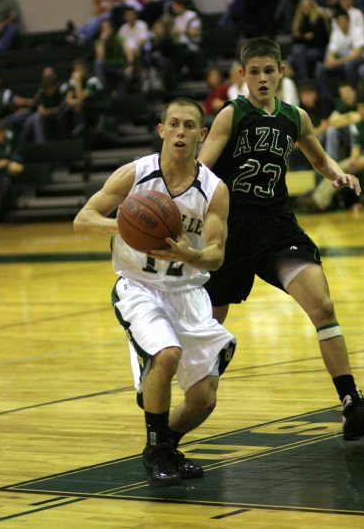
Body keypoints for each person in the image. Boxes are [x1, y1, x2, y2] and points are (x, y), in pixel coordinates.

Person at [198, 36, 364, 440]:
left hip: (277, 227)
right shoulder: (230, 116)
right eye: (254, 71)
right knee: (210, 335)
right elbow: (201, 171)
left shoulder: (296, 117)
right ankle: (177, 412)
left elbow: (319, 158)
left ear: (281, 72)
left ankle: (351, 404)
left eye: (269, 70)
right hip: (233, 231)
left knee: (323, 306)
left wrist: (338, 174)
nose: (262, 78)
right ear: (242, 76)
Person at [73, 97, 236, 486]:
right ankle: (158, 449)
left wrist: (188, 253)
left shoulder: (213, 190)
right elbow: (83, 219)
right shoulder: (135, 174)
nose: (181, 132)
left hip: (189, 291)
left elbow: (216, 257)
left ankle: (162, 442)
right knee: (166, 354)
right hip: (139, 288)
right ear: (162, 130)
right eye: (174, 124)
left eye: (190, 126)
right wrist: (125, 227)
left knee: (203, 400)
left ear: (202, 134)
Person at [300, 93, 364, 212]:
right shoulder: (357, 126)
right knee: (339, 167)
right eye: (359, 108)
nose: (361, 111)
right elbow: (356, 148)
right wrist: (354, 159)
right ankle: (319, 201)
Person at [315, 8, 364, 100]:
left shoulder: (357, 31)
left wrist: (337, 62)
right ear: (336, 23)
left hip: (361, 60)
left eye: (344, 21)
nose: (343, 23)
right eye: (340, 21)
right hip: (342, 63)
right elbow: (330, 56)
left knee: (349, 65)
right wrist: (330, 62)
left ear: (349, 21)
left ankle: (354, 97)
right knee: (320, 68)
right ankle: (329, 99)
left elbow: (357, 54)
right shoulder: (335, 34)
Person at [286, 0, 330, 83]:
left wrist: (303, 38)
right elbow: (295, 40)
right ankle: (304, 77)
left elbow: (321, 39)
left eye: (308, 5)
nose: (305, 8)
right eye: (303, 6)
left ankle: (304, 78)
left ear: (312, 6)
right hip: (303, 50)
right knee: (292, 57)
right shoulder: (298, 21)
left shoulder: (318, 19)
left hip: (318, 49)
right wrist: (305, 38)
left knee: (297, 53)